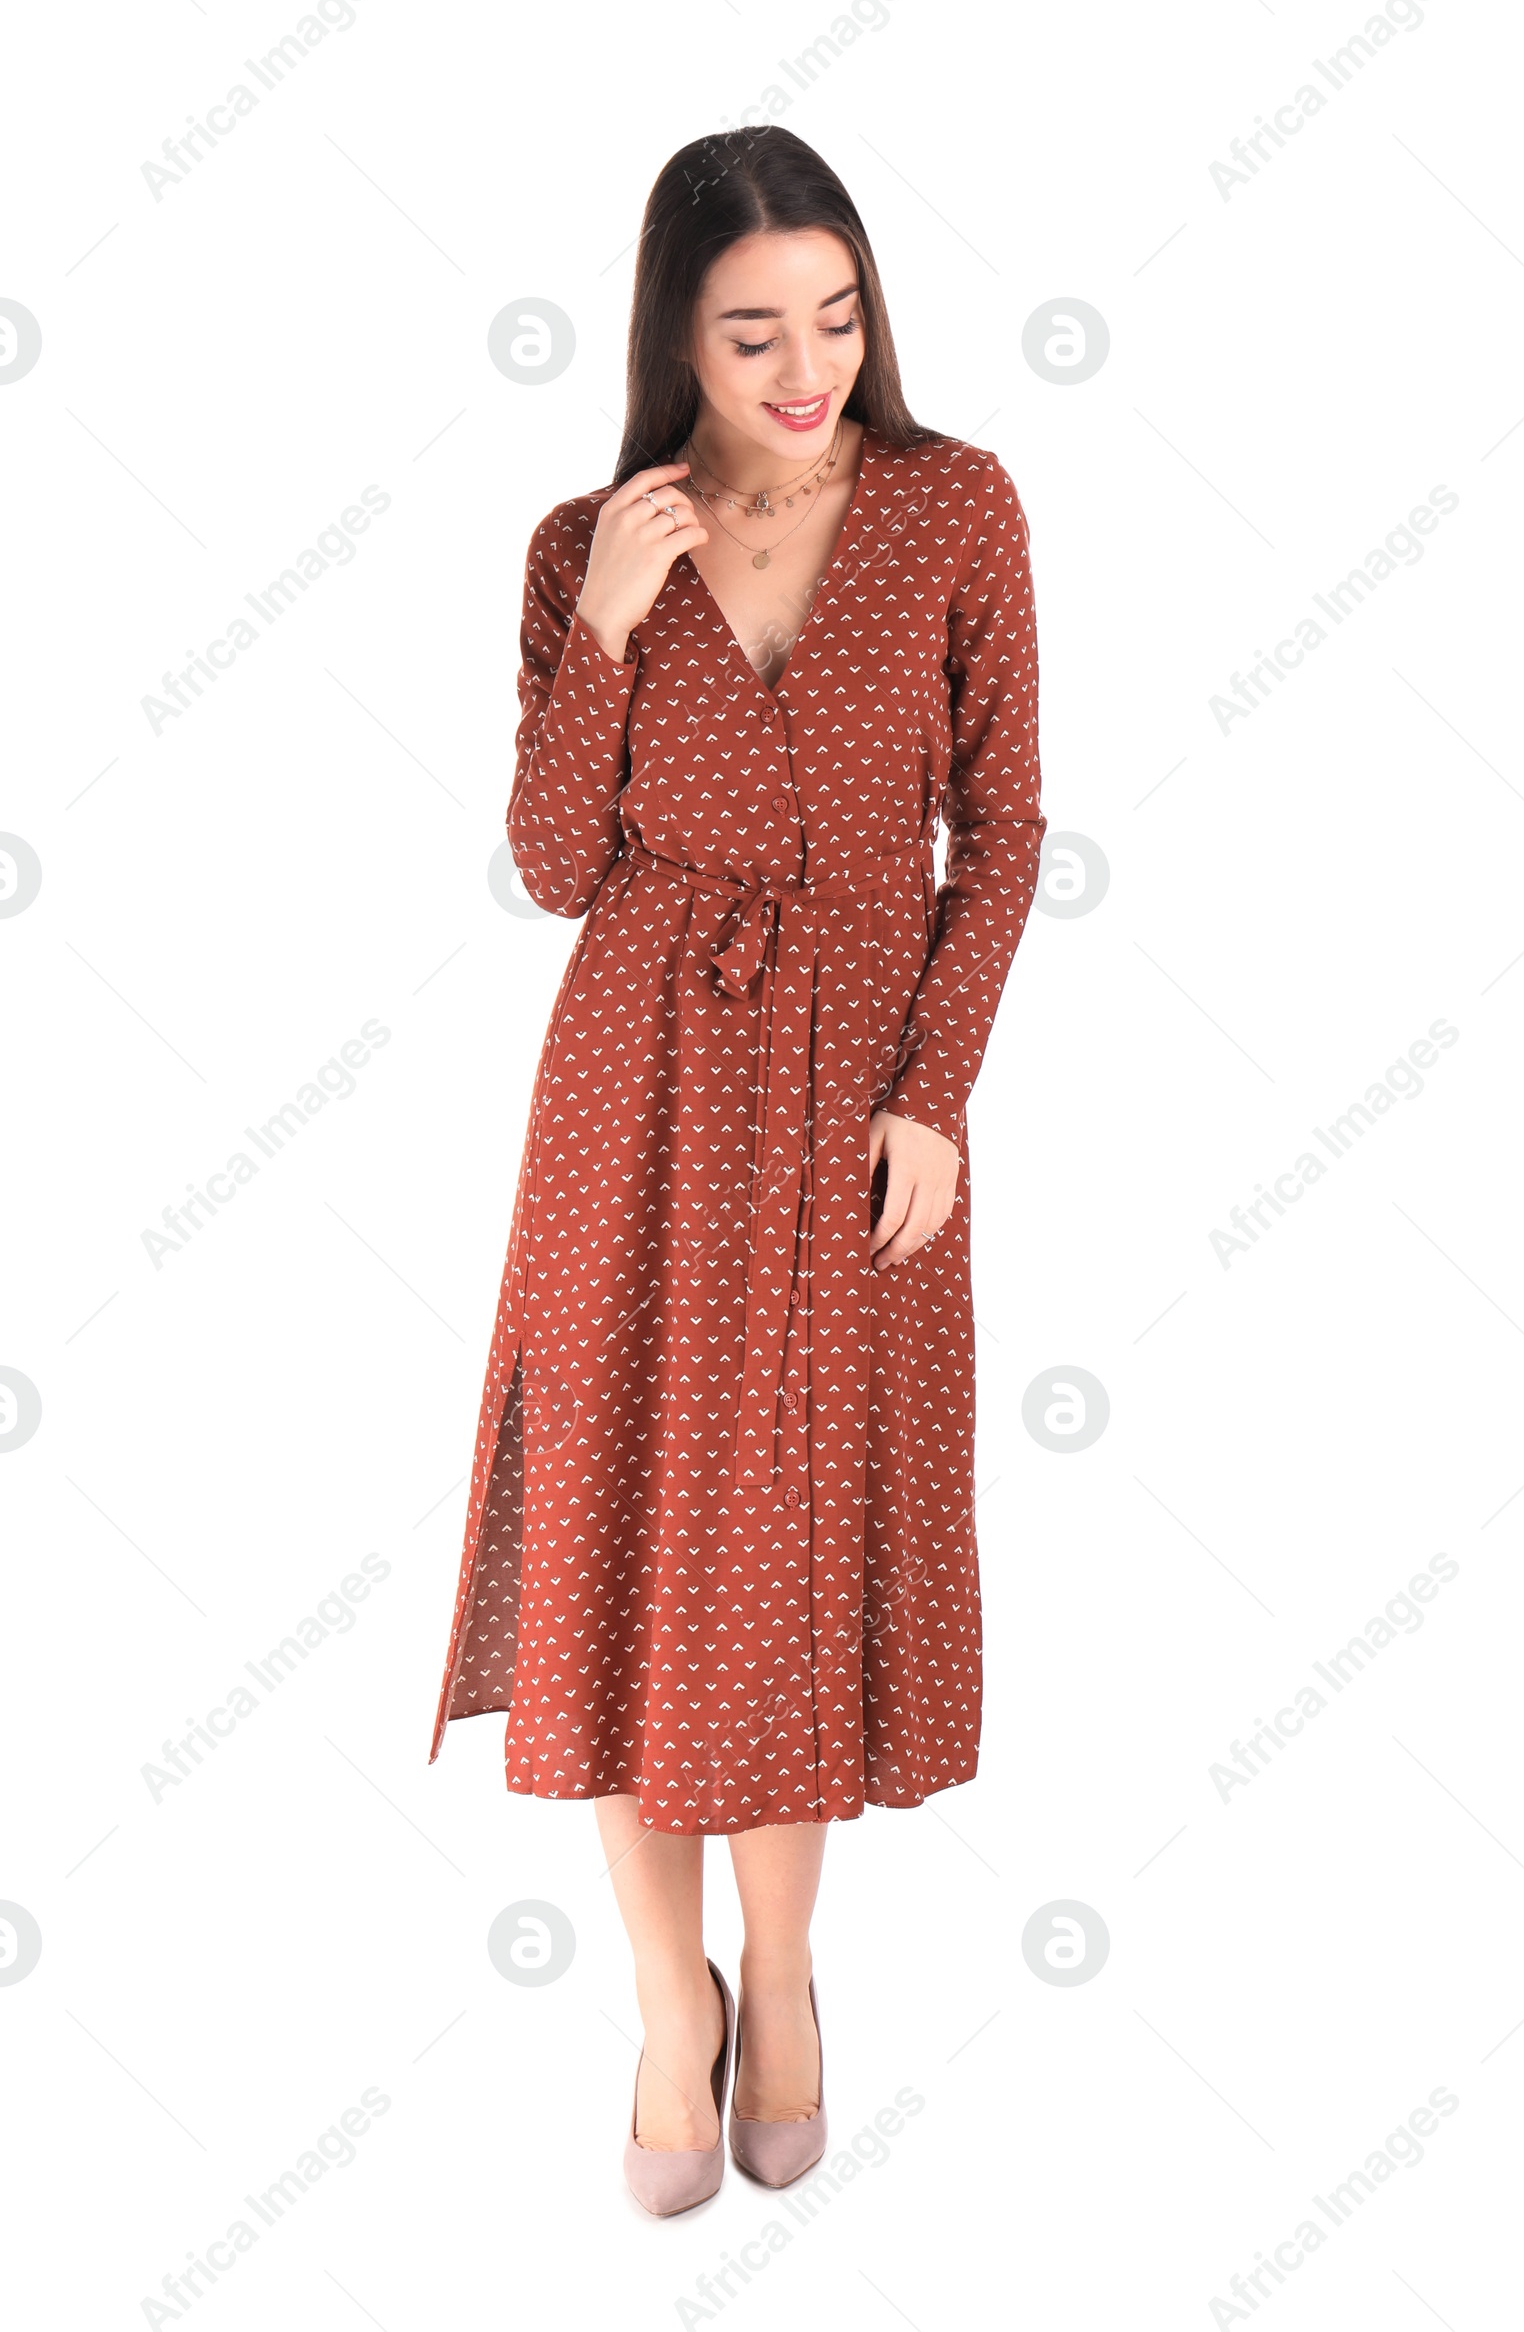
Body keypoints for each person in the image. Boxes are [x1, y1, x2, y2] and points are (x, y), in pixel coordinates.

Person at [429, 124, 1044, 2214]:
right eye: (753, 327)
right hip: (632, 1101)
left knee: (787, 1551)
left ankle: (779, 1974)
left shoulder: (954, 508)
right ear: (670, 333)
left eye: (838, 315)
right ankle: (657, 1995)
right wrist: (600, 619)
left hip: (857, 1101)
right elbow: (550, 868)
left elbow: (1006, 828)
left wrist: (931, 1096)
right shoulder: (583, 542)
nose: (805, 365)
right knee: (621, 1542)